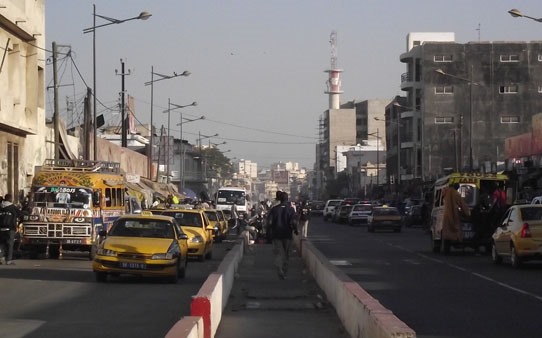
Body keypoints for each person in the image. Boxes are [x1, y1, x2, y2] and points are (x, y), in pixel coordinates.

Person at [267, 191, 297, 279]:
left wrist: (269, 232)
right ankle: (284, 271)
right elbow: (294, 222)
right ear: (287, 199)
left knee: (278, 253)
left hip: (276, 234)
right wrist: (296, 230)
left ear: (279, 199)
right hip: (287, 234)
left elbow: (269, 222)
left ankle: (279, 270)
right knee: (287, 253)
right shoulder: (291, 209)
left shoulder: (274, 209)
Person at [0, 194, 25, 265]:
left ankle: (1, 258)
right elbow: (21, 214)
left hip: (1, 228)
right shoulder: (13, 207)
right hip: (10, 228)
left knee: (1, 244)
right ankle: (8, 260)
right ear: (10, 199)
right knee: (10, 245)